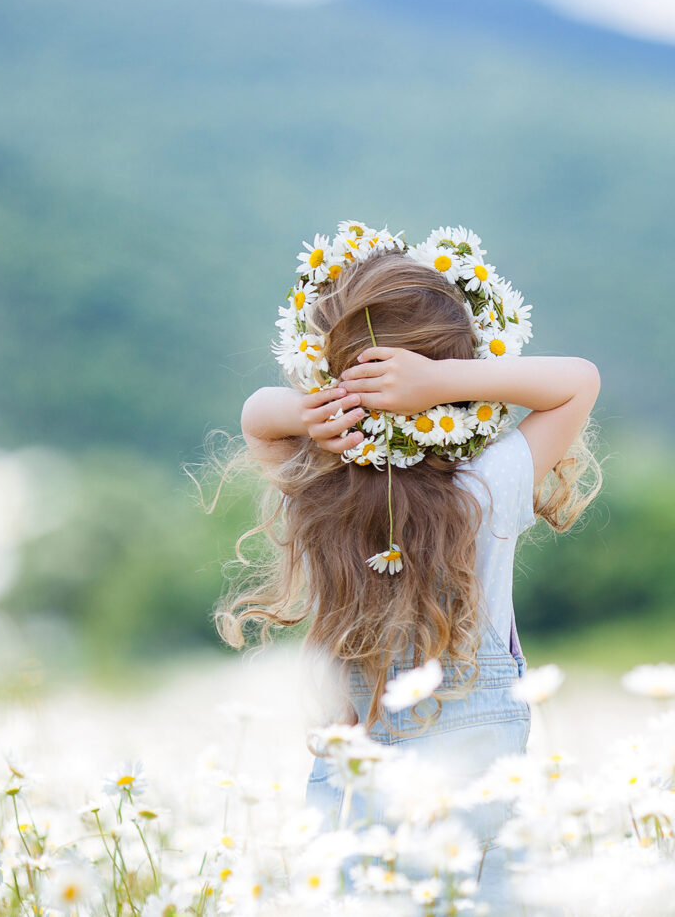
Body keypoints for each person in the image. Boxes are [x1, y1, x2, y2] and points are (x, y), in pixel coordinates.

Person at [213, 234, 602, 910]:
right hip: (475, 783)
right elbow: (577, 382)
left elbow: (255, 416)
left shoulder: (318, 479)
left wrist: (318, 409)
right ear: (461, 363)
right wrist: (442, 385)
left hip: (351, 780)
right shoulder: (487, 483)